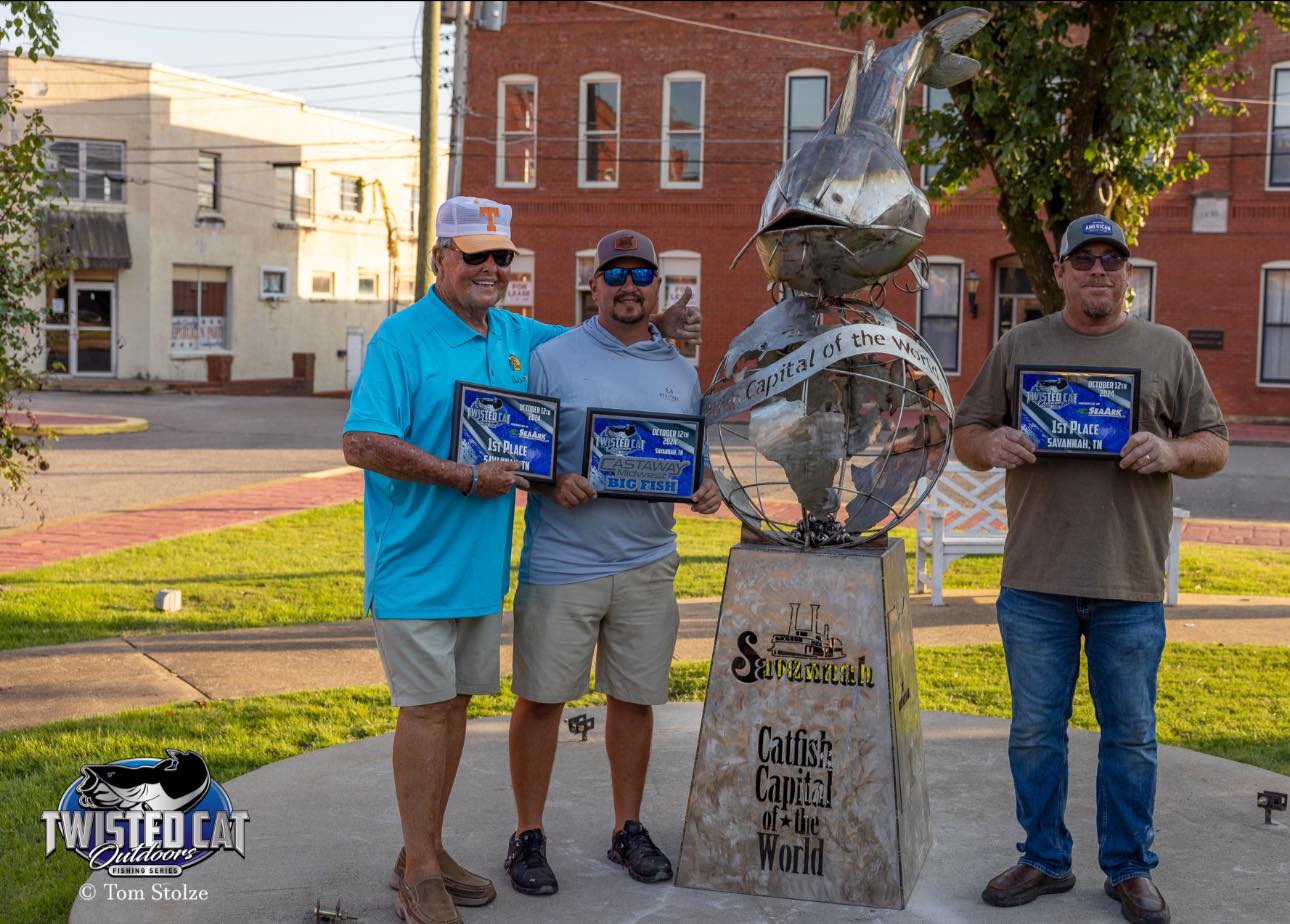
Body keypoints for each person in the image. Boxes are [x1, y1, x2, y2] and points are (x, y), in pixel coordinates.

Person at [341, 200, 700, 924]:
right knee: (426, 712)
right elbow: (362, 443)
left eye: (501, 258)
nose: (490, 270)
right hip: (414, 564)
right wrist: (464, 475)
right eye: (475, 256)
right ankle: (419, 874)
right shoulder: (401, 339)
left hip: (478, 569)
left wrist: (653, 325)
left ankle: (427, 853)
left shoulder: (513, 335)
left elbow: (594, 341)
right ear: (440, 257)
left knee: (453, 711)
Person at [953, 214, 1228, 924]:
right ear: (1066, 270)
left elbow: (1215, 443)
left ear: (1126, 272)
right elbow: (966, 432)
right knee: (1034, 733)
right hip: (1036, 580)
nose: (1099, 271)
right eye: (1085, 260)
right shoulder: (1022, 345)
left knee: (1131, 736)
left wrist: (1171, 453)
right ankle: (1043, 857)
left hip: (1128, 582)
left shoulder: (1166, 349)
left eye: (1112, 259)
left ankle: (1128, 868)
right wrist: (994, 443)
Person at [502, 229, 722, 897]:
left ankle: (628, 827)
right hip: (564, 561)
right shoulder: (551, 357)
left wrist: (707, 487)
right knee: (541, 701)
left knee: (635, 700)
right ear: (592, 285)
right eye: (614, 274)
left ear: (655, 287)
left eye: (641, 275)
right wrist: (549, 481)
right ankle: (528, 834)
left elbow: (695, 461)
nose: (629, 285)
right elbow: (519, 449)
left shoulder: (681, 370)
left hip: (650, 561)